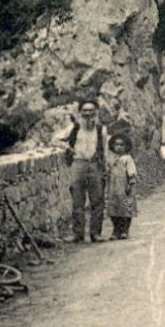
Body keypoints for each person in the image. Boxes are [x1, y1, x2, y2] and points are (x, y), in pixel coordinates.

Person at [53, 99, 109, 243]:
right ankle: (77, 234)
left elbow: (105, 149)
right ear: (80, 112)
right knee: (77, 200)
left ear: (96, 113)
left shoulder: (100, 129)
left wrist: (105, 166)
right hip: (78, 164)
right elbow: (55, 139)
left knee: (97, 200)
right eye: (85, 111)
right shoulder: (74, 128)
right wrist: (67, 148)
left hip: (95, 165)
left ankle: (95, 233)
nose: (88, 114)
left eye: (91, 111)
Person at [105, 133, 138, 239]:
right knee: (113, 209)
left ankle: (125, 230)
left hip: (124, 188)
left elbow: (132, 173)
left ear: (126, 146)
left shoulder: (127, 159)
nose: (119, 147)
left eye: (121, 145)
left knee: (126, 209)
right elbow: (107, 172)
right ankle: (116, 230)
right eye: (116, 145)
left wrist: (131, 186)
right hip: (113, 189)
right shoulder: (110, 159)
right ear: (112, 146)